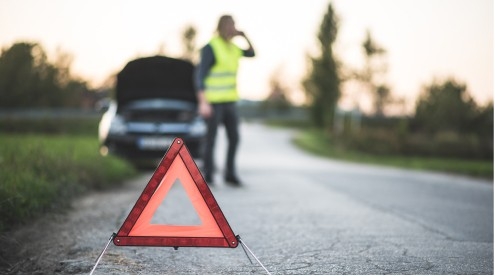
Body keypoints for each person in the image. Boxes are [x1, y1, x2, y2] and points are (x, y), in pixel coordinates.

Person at [195, 15, 255, 187]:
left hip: (230, 102)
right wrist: (203, 102)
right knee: (211, 138)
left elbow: (252, 53)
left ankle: (230, 173)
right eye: (229, 25)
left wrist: (244, 36)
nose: (232, 28)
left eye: (234, 25)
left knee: (234, 138)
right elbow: (200, 75)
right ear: (221, 26)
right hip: (213, 102)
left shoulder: (234, 48)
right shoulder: (211, 47)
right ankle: (208, 174)